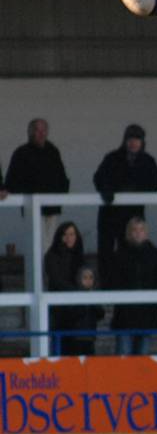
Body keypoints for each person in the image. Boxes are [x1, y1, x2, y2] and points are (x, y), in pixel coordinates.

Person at [93, 124, 157, 289]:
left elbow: (153, 184)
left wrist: (136, 192)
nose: (133, 143)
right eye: (130, 139)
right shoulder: (112, 158)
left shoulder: (148, 161)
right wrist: (107, 190)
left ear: (142, 142)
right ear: (125, 141)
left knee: (132, 250)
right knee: (106, 252)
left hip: (133, 215)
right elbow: (99, 178)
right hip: (110, 214)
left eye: (137, 140)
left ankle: (128, 285)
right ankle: (107, 286)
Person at [5, 119, 70, 253]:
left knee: (51, 244)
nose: (41, 133)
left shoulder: (53, 151)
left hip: (53, 208)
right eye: (37, 130)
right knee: (38, 244)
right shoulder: (21, 153)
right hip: (32, 207)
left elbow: (61, 176)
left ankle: (48, 273)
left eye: (44, 130)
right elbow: (12, 180)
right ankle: (39, 273)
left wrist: (62, 194)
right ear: (30, 132)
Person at [110, 217, 157, 355]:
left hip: (147, 314)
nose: (138, 233)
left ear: (146, 232)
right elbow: (114, 281)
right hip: (125, 315)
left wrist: (153, 303)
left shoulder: (154, 254)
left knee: (142, 358)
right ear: (129, 233)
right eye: (134, 230)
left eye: (141, 230)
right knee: (123, 357)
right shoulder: (120, 255)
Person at [45, 221, 85, 354]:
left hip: (77, 312)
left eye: (72, 234)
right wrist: (76, 292)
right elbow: (56, 280)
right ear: (60, 236)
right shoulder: (51, 256)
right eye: (65, 234)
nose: (69, 238)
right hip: (59, 311)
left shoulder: (80, 255)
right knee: (59, 348)